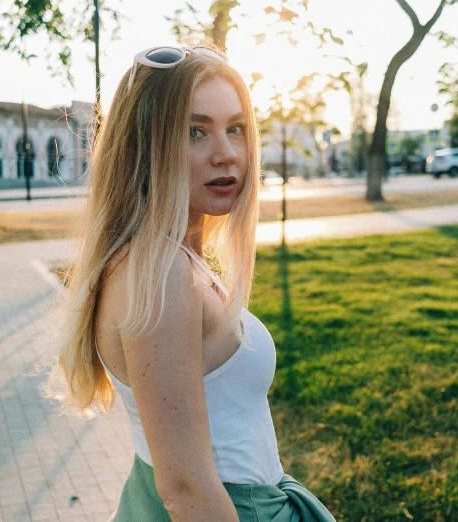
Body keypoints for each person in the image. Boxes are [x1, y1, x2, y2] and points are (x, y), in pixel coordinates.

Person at [48, 45, 336, 522]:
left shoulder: (171, 256)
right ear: (145, 145)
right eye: (195, 131)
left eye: (236, 129)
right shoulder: (160, 273)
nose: (227, 154)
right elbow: (185, 488)